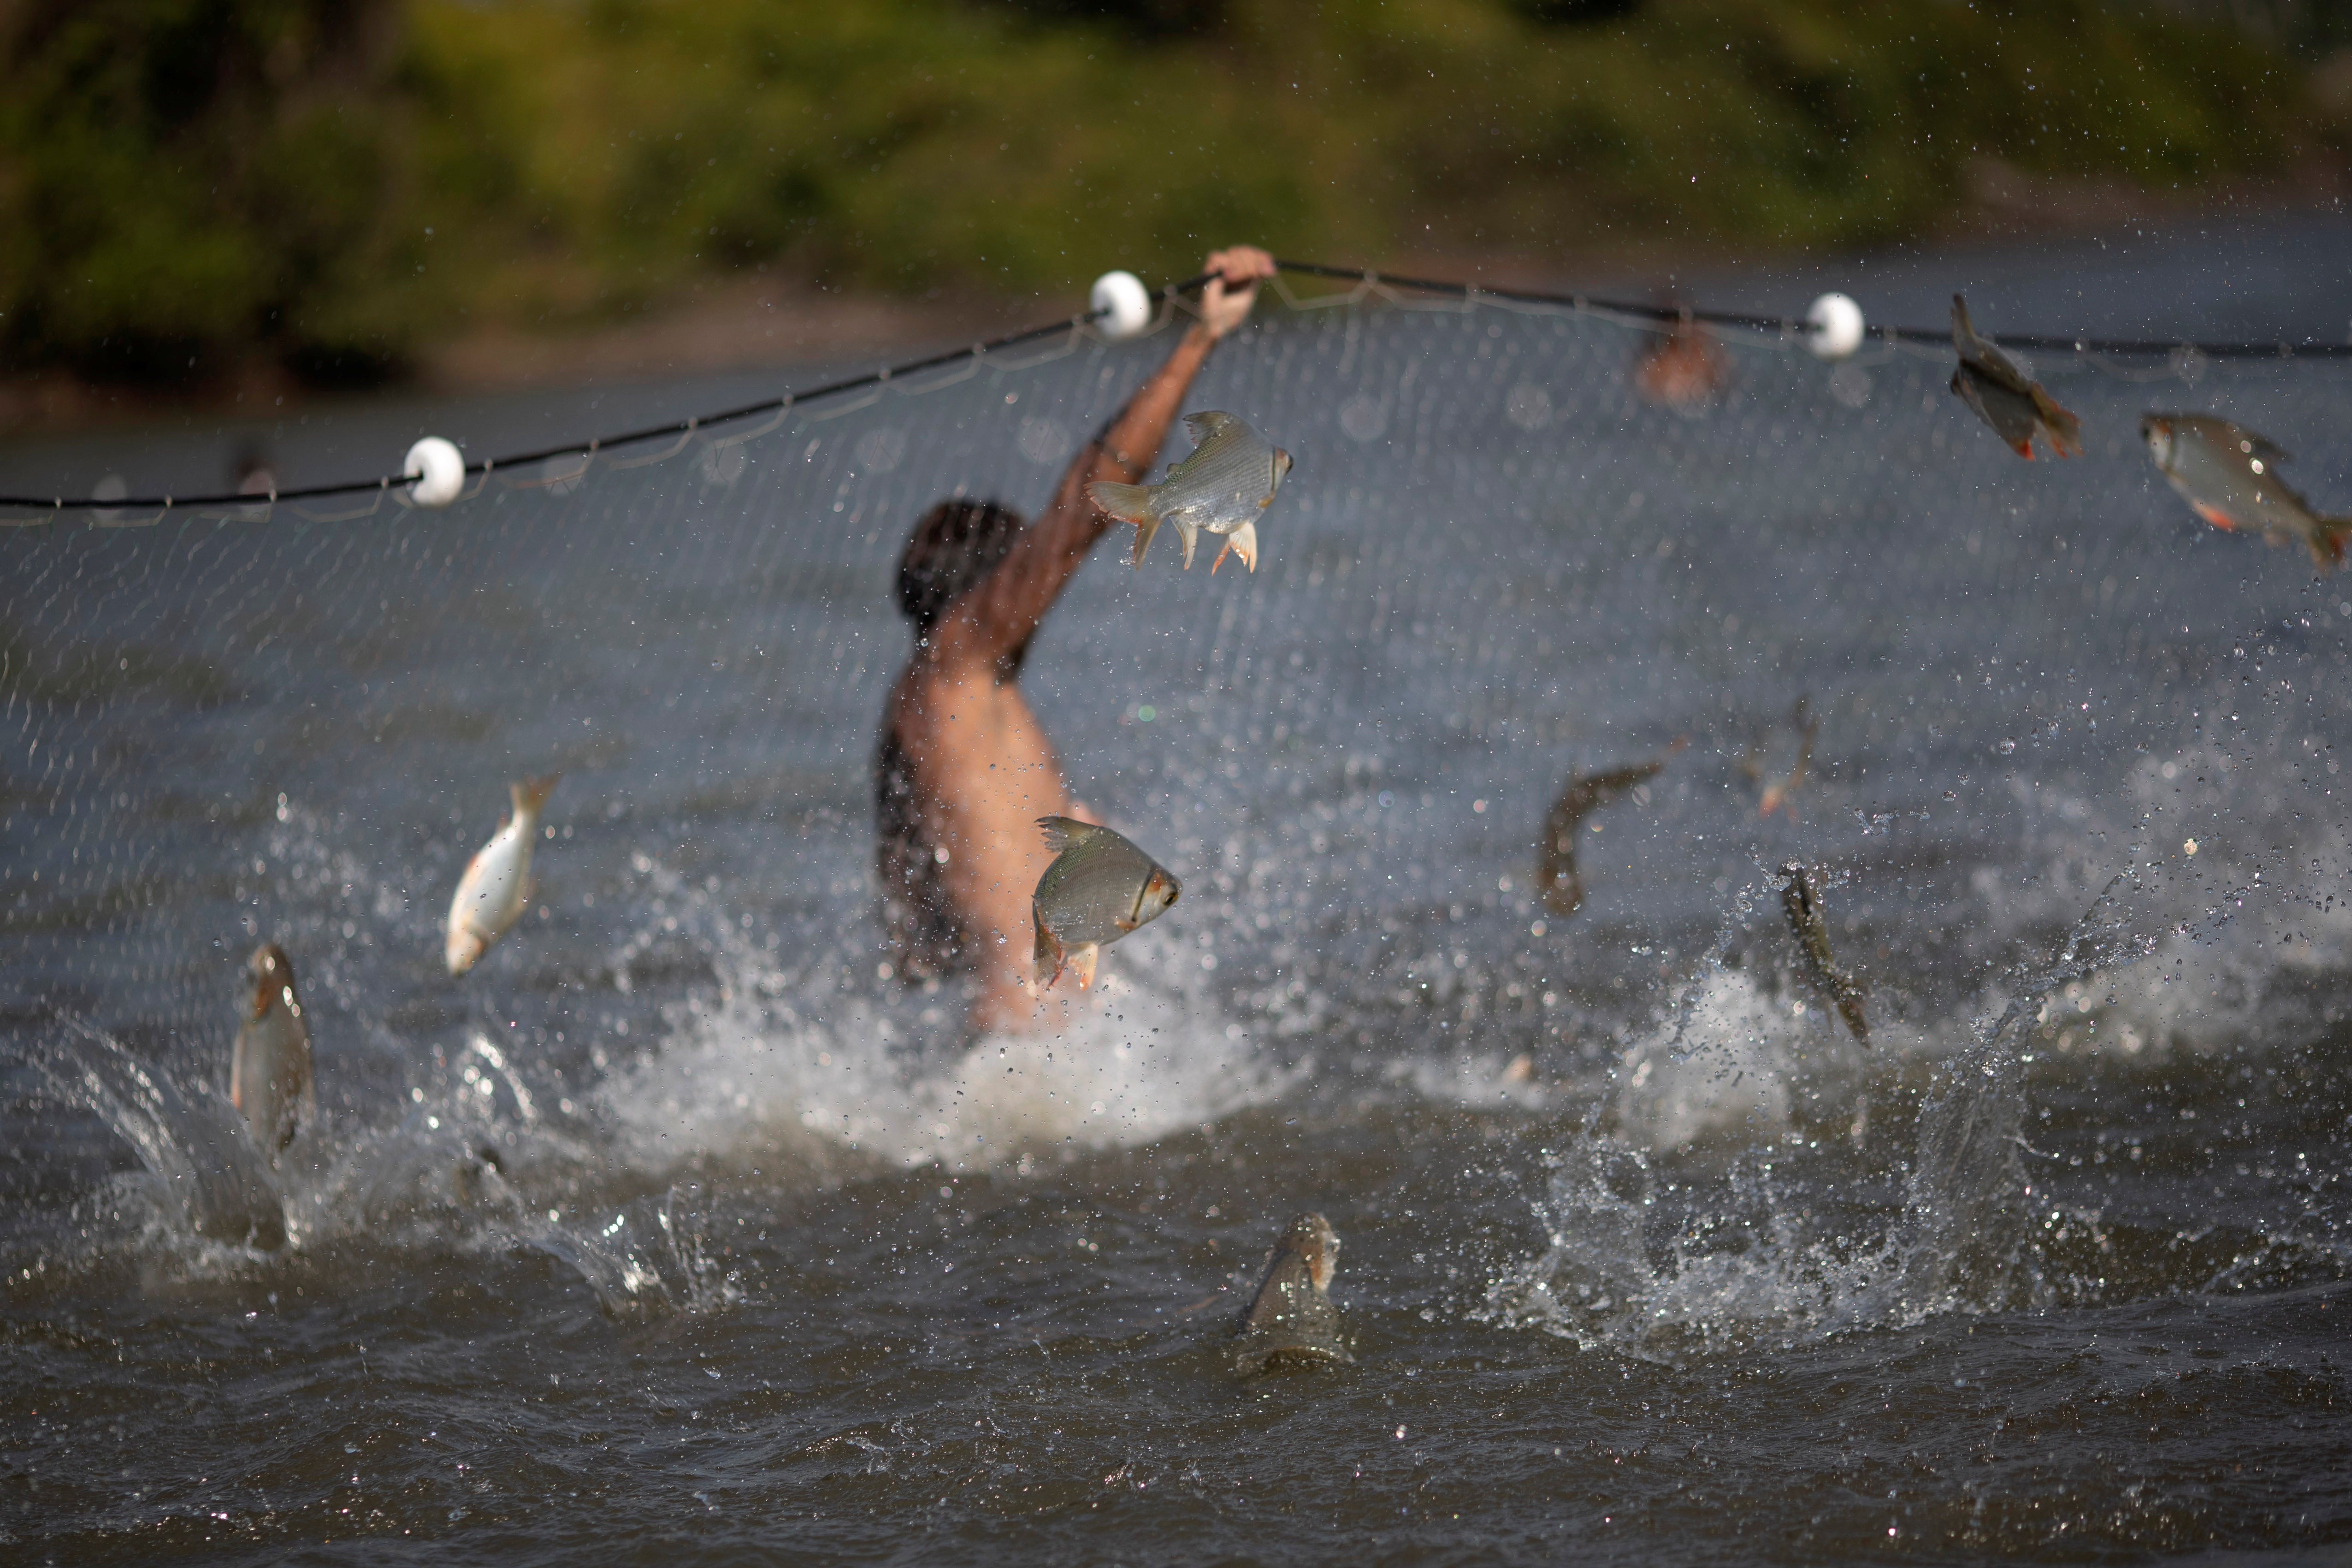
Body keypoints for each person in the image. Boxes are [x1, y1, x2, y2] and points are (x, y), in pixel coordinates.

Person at [877, 245, 1276, 1033]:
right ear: (989, 590)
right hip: (1037, 1045)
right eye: (1019, 575)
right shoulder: (963, 658)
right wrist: (1198, 340)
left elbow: (918, 940)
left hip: (1004, 1038)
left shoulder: (920, 706)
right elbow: (1084, 508)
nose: (1037, 597)